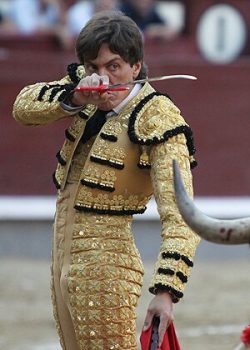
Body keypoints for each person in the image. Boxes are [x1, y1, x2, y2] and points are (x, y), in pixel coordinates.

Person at [12, 10, 200, 350]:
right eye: (94, 68)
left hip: (108, 268)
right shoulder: (84, 95)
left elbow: (182, 215)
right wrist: (74, 96)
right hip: (61, 259)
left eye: (113, 66)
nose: (104, 79)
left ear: (136, 66)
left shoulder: (157, 116)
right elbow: (23, 107)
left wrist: (167, 290)